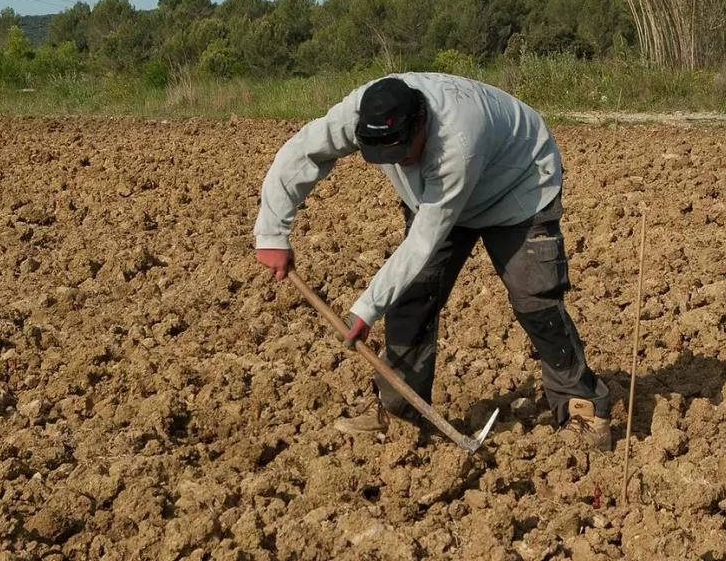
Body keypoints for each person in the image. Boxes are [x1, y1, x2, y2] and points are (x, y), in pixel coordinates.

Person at [253, 73, 611, 451]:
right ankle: (400, 412)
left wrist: (365, 310)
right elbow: (301, 152)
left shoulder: (457, 142)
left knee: (535, 300)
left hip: (518, 185)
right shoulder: (360, 113)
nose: (400, 165)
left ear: (421, 123)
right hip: (436, 196)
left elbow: (425, 238)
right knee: (411, 296)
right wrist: (272, 232)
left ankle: (584, 408)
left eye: (405, 153)